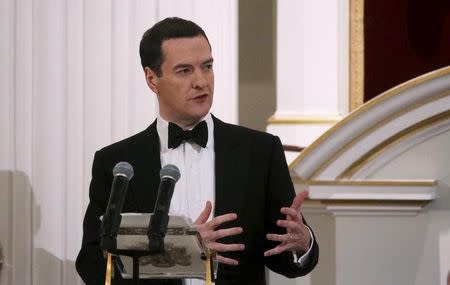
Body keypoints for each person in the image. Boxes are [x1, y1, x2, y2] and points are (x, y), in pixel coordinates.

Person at [76, 17, 318, 285]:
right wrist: (178, 252)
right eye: (184, 71)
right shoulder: (117, 162)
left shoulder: (260, 151)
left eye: (207, 66)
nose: (201, 81)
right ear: (152, 78)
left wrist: (302, 242)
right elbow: (92, 263)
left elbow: (283, 256)